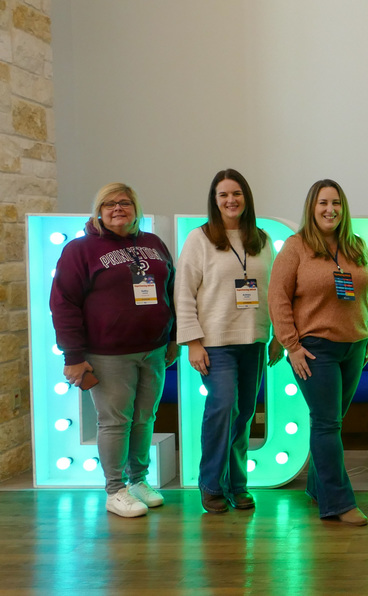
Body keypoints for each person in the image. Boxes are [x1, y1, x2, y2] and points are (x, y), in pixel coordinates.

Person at [50, 182, 178, 518]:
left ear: (136, 208)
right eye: (109, 204)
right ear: (98, 210)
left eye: (125, 202)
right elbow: (63, 304)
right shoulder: (80, 250)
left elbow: (172, 291)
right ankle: (115, 489)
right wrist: (73, 356)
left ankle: (138, 480)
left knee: (144, 419)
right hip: (108, 355)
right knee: (115, 422)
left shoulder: (153, 244)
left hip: (154, 350)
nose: (117, 208)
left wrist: (175, 337)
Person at [269, 179, 368, 526]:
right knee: (327, 422)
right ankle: (338, 502)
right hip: (316, 350)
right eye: (322, 203)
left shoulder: (356, 246)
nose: (329, 209)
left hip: (355, 347)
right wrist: (292, 346)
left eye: (336, 203)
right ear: (311, 208)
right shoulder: (296, 247)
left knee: (331, 422)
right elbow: (278, 297)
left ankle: (319, 487)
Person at [176, 169, 284, 514]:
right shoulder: (200, 239)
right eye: (223, 195)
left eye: (236, 193)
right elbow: (184, 293)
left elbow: (276, 293)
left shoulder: (263, 240)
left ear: (246, 198)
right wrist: (193, 341)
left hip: (253, 339)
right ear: (215, 200)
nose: (230, 200)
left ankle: (237, 484)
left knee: (245, 413)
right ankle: (210, 483)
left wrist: (279, 337)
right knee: (223, 408)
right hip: (215, 342)